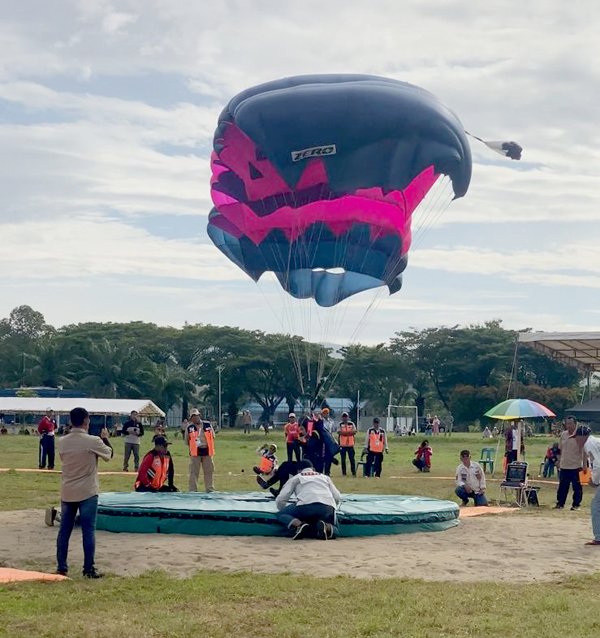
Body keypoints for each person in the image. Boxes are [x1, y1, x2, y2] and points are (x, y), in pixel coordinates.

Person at [55, 407, 113, 578]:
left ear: (71, 421)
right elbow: (109, 455)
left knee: (64, 531)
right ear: (86, 420)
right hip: (87, 491)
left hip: (68, 491)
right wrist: (105, 439)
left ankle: (61, 567)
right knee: (88, 531)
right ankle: (88, 568)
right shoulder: (92, 441)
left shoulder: (63, 441)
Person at [275, 459, 341, 540]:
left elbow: (281, 498)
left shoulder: (297, 477)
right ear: (313, 469)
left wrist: (282, 509)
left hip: (305, 506)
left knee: (280, 514)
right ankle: (328, 527)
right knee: (337, 528)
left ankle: (299, 525)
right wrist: (333, 507)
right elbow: (337, 496)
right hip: (327, 507)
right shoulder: (325, 477)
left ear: (299, 470)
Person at [555, 416, 585, 510]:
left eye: (570, 423)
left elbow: (584, 451)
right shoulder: (563, 434)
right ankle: (560, 504)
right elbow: (560, 449)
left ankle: (576, 505)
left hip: (576, 465)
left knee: (577, 487)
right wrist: (558, 460)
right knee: (562, 487)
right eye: (567, 423)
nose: (568, 426)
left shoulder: (580, 435)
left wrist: (585, 465)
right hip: (564, 465)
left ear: (575, 424)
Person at [577, 426, 600, 545]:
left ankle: (598, 537)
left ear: (582, 436)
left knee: (596, 505)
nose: (576, 440)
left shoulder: (589, 444)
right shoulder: (594, 441)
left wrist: (594, 481)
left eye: (577, 438)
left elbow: (598, 464)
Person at [185, 408, 216, 492]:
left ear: (199, 415)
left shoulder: (207, 424)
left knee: (209, 472)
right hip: (195, 452)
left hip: (207, 451)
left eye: (196, 416)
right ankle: (193, 490)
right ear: (191, 418)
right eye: (193, 416)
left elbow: (213, 436)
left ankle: (210, 489)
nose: (195, 418)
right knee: (193, 472)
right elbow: (187, 440)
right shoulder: (189, 427)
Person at [338, 412, 357, 477]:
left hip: (350, 445)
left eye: (346, 416)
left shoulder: (351, 424)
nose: (345, 418)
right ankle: (344, 473)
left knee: (352, 460)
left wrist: (345, 433)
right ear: (342, 417)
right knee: (343, 460)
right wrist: (349, 433)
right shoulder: (340, 424)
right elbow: (339, 432)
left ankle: (353, 473)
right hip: (342, 445)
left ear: (348, 417)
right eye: (343, 417)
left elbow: (354, 431)